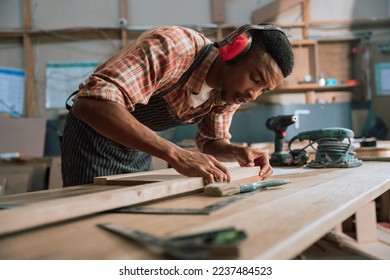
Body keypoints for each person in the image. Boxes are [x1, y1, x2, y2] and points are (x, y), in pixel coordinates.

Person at [61, 23, 294, 187]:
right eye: (254, 79)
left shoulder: (229, 92)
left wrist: (238, 152)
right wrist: (176, 154)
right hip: (92, 140)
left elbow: (211, 142)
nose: (253, 94)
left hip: (138, 146)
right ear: (232, 50)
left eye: (263, 89)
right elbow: (90, 103)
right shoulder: (173, 47)